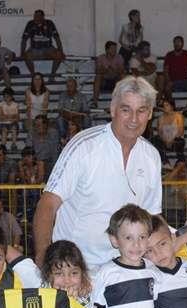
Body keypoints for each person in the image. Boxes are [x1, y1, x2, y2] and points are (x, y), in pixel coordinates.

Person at [33, 76, 162, 268]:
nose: (134, 119)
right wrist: (44, 259)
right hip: (75, 268)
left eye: (141, 110)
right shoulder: (83, 146)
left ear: (150, 113)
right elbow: (47, 205)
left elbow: (152, 217)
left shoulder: (151, 156)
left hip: (126, 266)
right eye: (126, 110)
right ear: (112, 109)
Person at [20, 9, 65, 80]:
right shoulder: (30, 24)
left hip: (48, 48)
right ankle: (33, 76)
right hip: (34, 49)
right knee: (27, 55)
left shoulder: (49, 23)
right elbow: (24, 39)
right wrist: (22, 52)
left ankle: (52, 75)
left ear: (43, 17)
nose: (36, 18)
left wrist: (61, 51)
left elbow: (57, 38)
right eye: (35, 16)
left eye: (38, 16)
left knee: (59, 54)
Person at [163, 36, 187, 109]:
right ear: (173, 43)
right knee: (166, 87)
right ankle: (172, 107)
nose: (177, 44)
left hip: (185, 81)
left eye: (179, 42)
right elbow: (165, 70)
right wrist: (168, 81)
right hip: (173, 82)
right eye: (175, 42)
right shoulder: (169, 55)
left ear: (182, 44)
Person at [94, 41, 126, 107]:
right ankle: (95, 102)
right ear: (107, 50)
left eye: (115, 49)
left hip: (115, 80)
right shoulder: (101, 58)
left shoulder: (119, 57)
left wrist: (113, 70)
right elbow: (97, 70)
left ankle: (122, 102)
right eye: (112, 48)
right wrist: (107, 70)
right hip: (104, 81)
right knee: (98, 77)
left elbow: (122, 69)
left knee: (123, 76)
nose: (114, 50)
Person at [25, 73, 50, 137]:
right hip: (31, 117)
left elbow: (45, 109)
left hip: (41, 117)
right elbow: (28, 108)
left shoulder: (46, 91)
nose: (37, 81)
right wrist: (30, 120)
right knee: (30, 128)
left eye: (39, 79)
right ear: (32, 81)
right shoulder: (28, 91)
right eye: (35, 79)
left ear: (42, 81)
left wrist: (42, 121)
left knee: (42, 127)